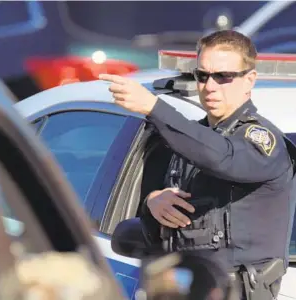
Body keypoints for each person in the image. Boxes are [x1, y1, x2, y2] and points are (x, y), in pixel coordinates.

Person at [100, 30, 296, 299]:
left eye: (223, 76)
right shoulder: (188, 138)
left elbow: (223, 159)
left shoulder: (262, 141)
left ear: (250, 80)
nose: (210, 86)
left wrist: (155, 108)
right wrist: (153, 203)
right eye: (202, 75)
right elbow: (155, 222)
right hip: (183, 288)